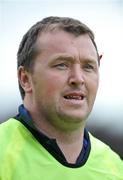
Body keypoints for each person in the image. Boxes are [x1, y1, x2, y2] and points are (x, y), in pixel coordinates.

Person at [0, 16, 123, 180]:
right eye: (62, 65)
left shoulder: (114, 167)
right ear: (25, 79)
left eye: (88, 66)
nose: (78, 78)